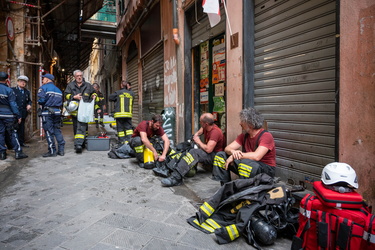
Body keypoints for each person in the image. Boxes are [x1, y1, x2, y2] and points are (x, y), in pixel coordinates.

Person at [212, 108, 276, 184]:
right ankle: (226, 188)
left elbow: (256, 156)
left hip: (265, 169)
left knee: (245, 163)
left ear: (250, 124)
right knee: (220, 156)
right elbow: (227, 148)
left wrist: (233, 156)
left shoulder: (266, 136)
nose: (240, 123)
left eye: (242, 121)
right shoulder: (244, 136)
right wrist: (232, 151)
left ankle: (244, 189)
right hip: (249, 164)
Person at [161, 113, 225, 187]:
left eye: (201, 122)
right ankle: (172, 168)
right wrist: (196, 135)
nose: (200, 123)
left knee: (194, 152)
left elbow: (208, 150)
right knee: (188, 150)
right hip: (209, 153)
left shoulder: (215, 132)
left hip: (215, 155)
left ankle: (176, 178)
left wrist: (198, 141)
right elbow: (201, 130)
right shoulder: (207, 127)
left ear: (206, 124)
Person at [64, 69, 100, 153]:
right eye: (77, 76)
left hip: (84, 111)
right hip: (75, 111)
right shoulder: (70, 85)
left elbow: (94, 93)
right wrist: (74, 97)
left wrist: (94, 96)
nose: (79, 77)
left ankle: (80, 143)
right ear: (74, 77)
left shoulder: (88, 85)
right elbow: (66, 95)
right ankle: (79, 143)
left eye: (80, 76)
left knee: (83, 126)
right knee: (77, 127)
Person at [0, 72, 28, 160]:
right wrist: (18, 115)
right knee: (13, 133)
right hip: (8, 115)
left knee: (0, 133)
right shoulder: (9, 90)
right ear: (7, 80)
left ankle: (2, 153)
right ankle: (18, 152)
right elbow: (13, 104)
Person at [37, 74, 65, 157]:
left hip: (47, 112)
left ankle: (52, 151)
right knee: (57, 130)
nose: (42, 80)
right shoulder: (59, 90)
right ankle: (61, 150)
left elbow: (41, 100)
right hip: (57, 112)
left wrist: (39, 102)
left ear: (48, 79)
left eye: (44, 78)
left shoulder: (43, 88)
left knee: (49, 131)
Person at [109, 80, 134, 145]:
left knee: (120, 129)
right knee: (129, 129)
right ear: (127, 86)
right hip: (128, 115)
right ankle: (129, 141)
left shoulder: (118, 93)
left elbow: (110, 97)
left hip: (119, 115)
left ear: (121, 85)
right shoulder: (131, 93)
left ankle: (122, 142)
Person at [12, 75, 32, 147]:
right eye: (21, 81)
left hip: (23, 113)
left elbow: (29, 101)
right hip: (15, 113)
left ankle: (21, 142)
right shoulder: (13, 90)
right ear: (17, 82)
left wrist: (29, 104)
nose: (23, 83)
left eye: (24, 82)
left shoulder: (27, 92)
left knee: (22, 128)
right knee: (15, 128)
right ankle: (15, 144)